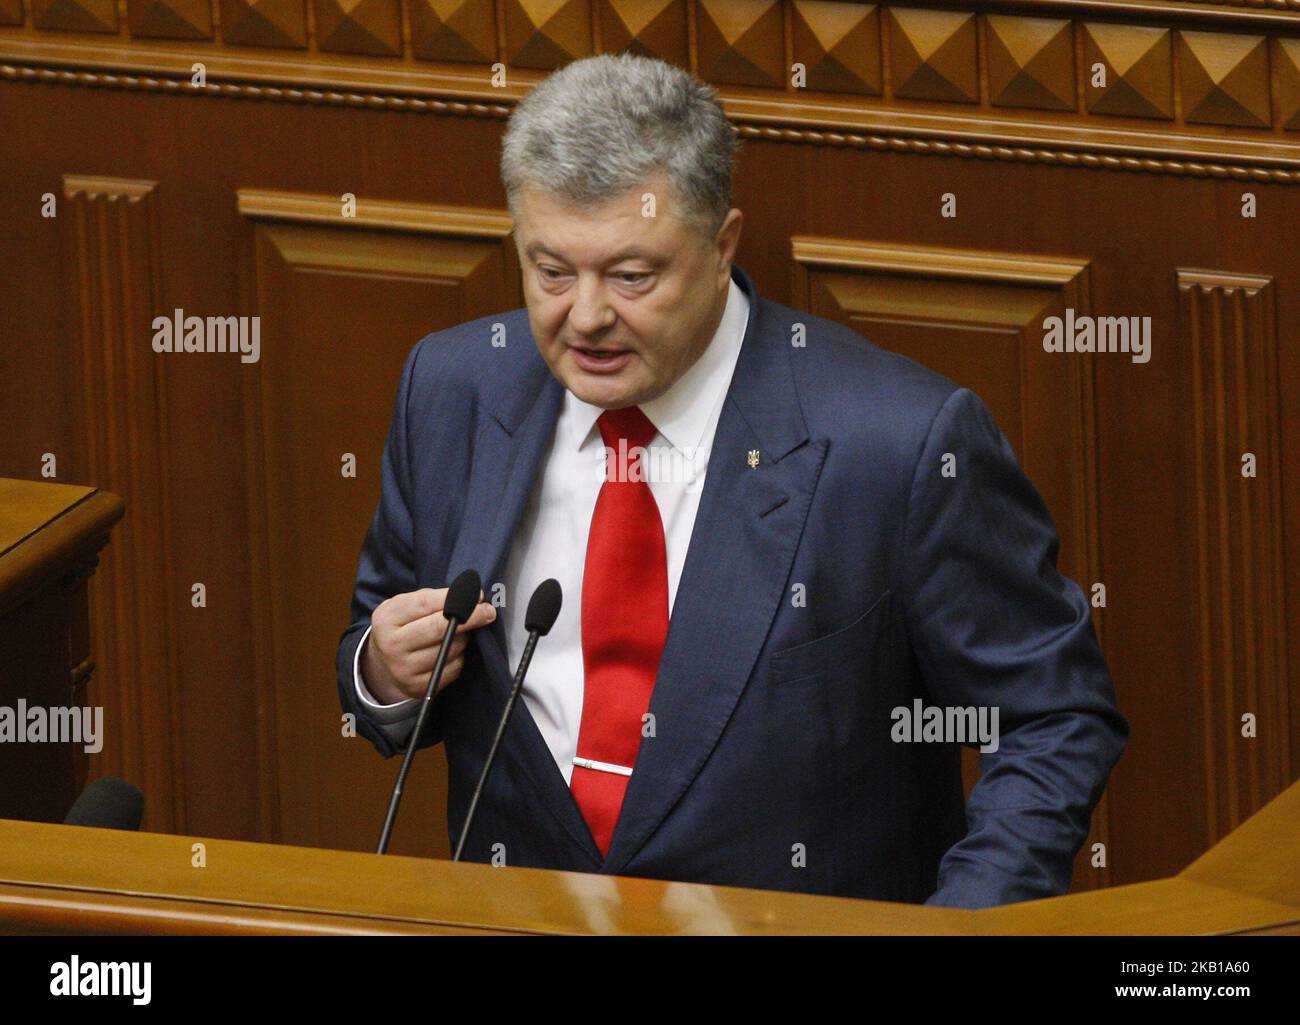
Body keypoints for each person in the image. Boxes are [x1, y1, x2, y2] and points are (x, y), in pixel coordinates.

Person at [336, 52, 1128, 908]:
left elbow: (1055, 717)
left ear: (722, 246)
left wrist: (953, 934)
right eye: (551, 270)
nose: (587, 314)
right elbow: (370, 647)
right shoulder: (452, 390)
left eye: (633, 275)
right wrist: (382, 670)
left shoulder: (896, 443)